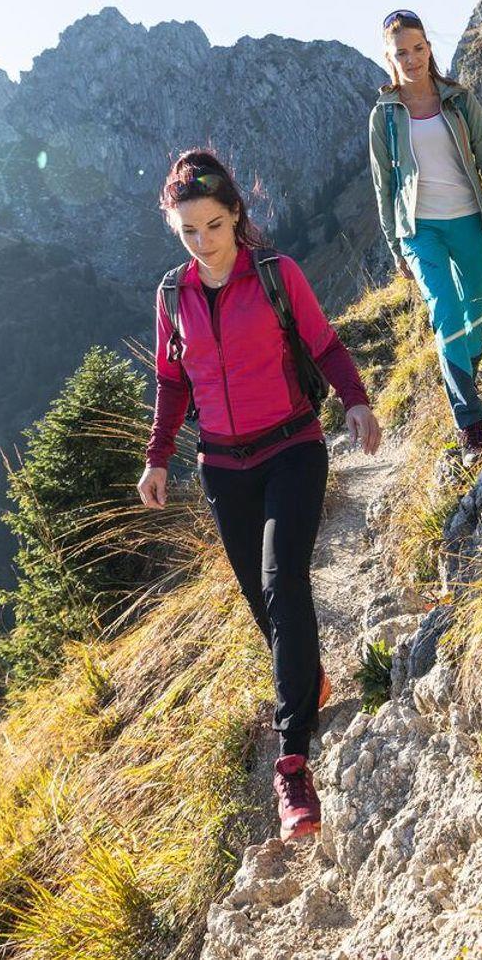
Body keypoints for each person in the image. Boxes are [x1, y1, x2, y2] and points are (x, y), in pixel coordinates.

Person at [137, 148, 382, 842]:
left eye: (213, 226)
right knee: (261, 603)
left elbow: (325, 345)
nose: (203, 242)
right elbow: (172, 382)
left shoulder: (276, 274)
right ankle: (306, 676)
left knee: (283, 584)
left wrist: (356, 401)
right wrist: (157, 458)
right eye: (188, 231)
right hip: (223, 468)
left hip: (292, 448)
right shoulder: (172, 296)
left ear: (236, 214)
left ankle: (292, 762)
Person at [367, 8, 482, 456]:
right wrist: (395, 245)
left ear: (429, 49)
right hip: (419, 229)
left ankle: (465, 379)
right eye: (401, 53)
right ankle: (471, 423)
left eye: (418, 49)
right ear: (389, 58)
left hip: (470, 219)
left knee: (476, 316)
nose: (411, 59)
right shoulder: (383, 116)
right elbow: (383, 186)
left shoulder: (459, 100)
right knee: (445, 311)